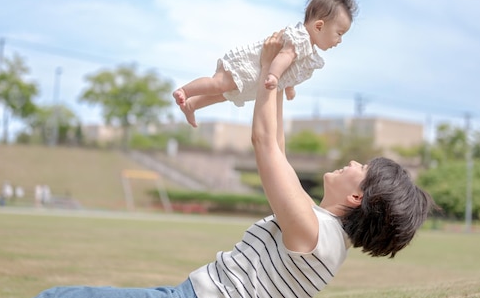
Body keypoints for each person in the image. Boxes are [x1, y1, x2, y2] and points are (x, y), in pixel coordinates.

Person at [32, 33, 435, 298]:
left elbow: (263, 145)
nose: (352, 161)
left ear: (356, 195)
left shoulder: (316, 234)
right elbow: (276, 142)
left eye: (360, 167)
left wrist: (268, 73)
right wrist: (280, 71)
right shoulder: (321, 232)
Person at [173, 0, 358, 127]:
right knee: (219, 84)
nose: (340, 40)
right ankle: (185, 91)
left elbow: (292, 71)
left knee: (224, 95)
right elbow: (285, 57)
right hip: (251, 67)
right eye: (339, 34)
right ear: (319, 26)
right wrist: (274, 76)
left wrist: (289, 87)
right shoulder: (300, 39)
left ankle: (191, 105)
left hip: (258, 79)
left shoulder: (308, 53)